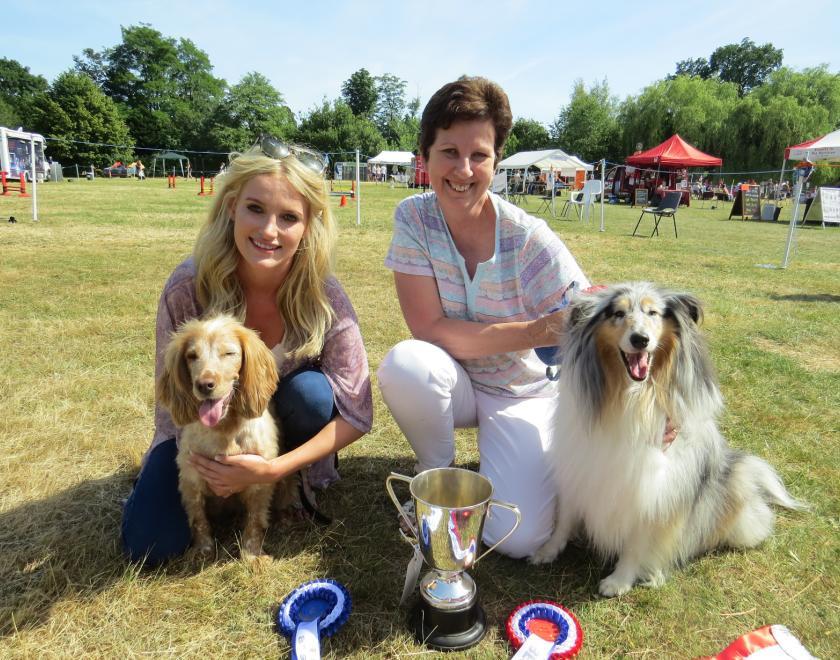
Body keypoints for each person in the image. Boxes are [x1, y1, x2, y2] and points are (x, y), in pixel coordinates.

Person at [122, 137, 373, 564]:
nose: (269, 231)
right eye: (255, 208)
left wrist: (271, 469)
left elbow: (358, 412)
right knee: (149, 545)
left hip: (280, 434)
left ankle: (293, 485)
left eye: (289, 217)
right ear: (231, 207)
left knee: (312, 394)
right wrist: (217, 464)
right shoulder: (188, 286)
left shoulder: (324, 295)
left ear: (309, 225)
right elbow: (174, 401)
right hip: (198, 432)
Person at [376, 76, 591, 559]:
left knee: (519, 539)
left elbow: (596, 316)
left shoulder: (528, 237)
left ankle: (517, 471)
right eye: (449, 151)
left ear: (496, 160)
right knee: (407, 364)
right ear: (425, 156)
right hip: (456, 385)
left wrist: (660, 402)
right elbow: (428, 328)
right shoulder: (413, 218)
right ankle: (437, 477)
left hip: (523, 391)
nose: (464, 169)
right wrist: (535, 331)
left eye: (480, 155)